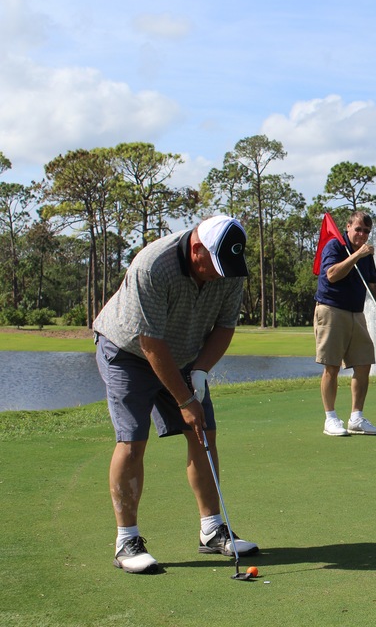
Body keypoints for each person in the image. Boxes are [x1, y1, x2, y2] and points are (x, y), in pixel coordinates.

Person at [93, 215, 258, 575]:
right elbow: (149, 342)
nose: (219, 275)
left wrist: (199, 371)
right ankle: (126, 540)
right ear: (196, 247)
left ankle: (212, 530)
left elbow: (225, 327)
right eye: (213, 266)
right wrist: (185, 400)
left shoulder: (229, 269)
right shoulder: (153, 265)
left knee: (203, 435)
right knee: (133, 439)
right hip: (127, 351)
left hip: (184, 355)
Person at [314, 211, 376, 436]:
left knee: (364, 363)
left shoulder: (366, 254)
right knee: (331, 366)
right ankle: (330, 419)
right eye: (358, 229)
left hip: (356, 312)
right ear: (348, 227)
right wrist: (357, 255)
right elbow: (332, 275)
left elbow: (373, 285)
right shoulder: (334, 246)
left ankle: (356, 417)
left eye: (366, 231)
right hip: (331, 309)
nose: (362, 234)